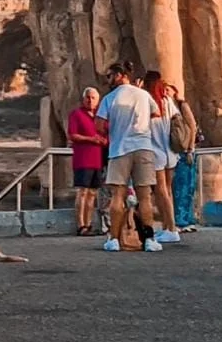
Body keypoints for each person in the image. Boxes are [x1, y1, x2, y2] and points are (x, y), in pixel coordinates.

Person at [94, 62, 162, 252]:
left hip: (119, 149)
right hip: (143, 146)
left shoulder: (110, 98)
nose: (108, 80)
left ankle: (114, 239)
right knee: (145, 196)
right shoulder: (143, 94)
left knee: (118, 195)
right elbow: (157, 114)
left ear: (119, 75)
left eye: (109, 76)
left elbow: (99, 126)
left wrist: (116, 129)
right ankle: (149, 239)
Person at [143, 70, 181, 244]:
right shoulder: (167, 101)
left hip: (155, 150)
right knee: (168, 190)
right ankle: (168, 226)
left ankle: (171, 228)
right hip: (169, 150)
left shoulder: (147, 102)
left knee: (161, 191)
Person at [67, 87, 106, 235]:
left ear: (98, 100)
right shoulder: (76, 114)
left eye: (93, 98)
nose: (90, 100)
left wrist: (103, 140)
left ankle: (89, 224)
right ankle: (80, 225)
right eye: (88, 97)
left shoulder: (100, 116)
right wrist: (91, 139)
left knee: (92, 193)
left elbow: (106, 134)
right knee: (82, 192)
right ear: (83, 99)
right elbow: (72, 135)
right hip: (83, 159)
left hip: (97, 160)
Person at [167, 82, 199, 232]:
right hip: (175, 151)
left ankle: (184, 219)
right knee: (178, 187)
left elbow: (192, 126)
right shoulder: (166, 106)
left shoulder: (181, 106)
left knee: (186, 185)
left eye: (169, 90)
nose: (166, 92)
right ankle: (181, 218)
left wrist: (190, 148)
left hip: (185, 150)